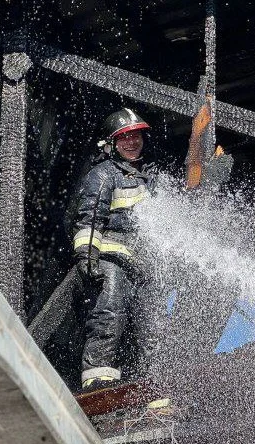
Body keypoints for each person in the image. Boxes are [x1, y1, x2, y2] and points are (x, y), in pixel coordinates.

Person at [72, 108, 162, 396]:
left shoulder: (149, 176)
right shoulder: (103, 175)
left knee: (150, 319)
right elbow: (89, 218)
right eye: (124, 138)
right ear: (111, 144)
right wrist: (88, 257)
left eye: (136, 136)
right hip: (111, 256)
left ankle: (153, 378)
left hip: (141, 261)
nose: (132, 142)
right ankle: (97, 377)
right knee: (109, 310)